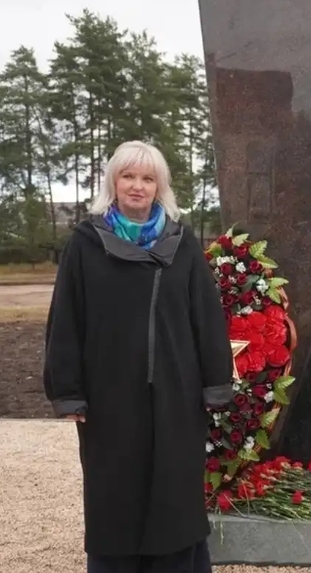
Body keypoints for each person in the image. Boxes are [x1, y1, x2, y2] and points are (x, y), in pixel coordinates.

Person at [42, 140, 234, 573]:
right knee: (115, 494)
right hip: (109, 396)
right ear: (113, 182)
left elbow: (205, 316)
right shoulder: (85, 244)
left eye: (148, 178)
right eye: (128, 176)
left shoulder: (182, 243)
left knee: (174, 496)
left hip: (177, 394)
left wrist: (216, 383)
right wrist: (68, 391)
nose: (137, 186)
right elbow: (66, 317)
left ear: (159, 187)